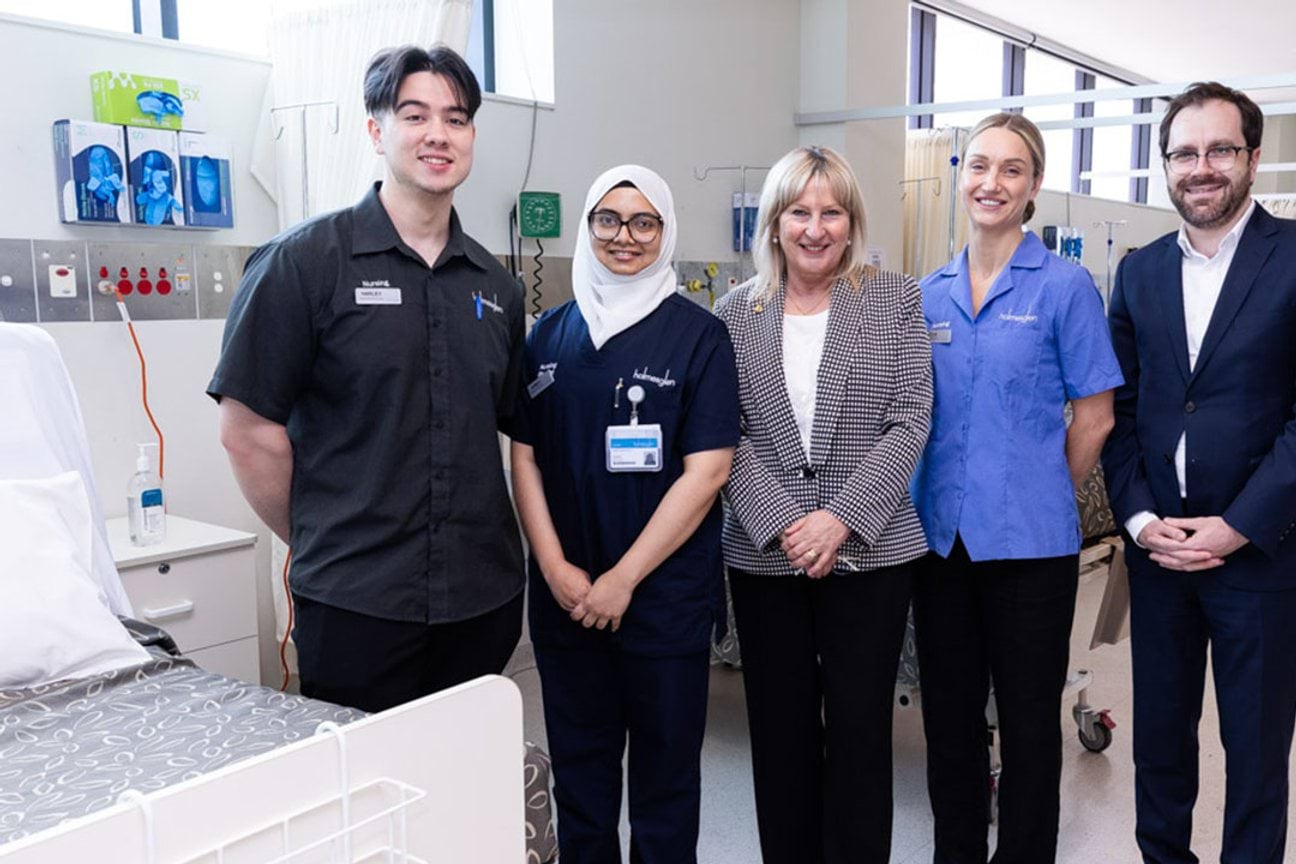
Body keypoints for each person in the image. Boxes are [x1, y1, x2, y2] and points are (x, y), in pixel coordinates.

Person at [208, 45, 526, 713]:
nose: (438, 134)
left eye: (456, 118)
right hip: (356, 604)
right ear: (377, 131)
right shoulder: (303, 264)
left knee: (461, 768)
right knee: (367, 775)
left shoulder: (497, 288)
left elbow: (506, 432)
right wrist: (326, 535)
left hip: (480, 600)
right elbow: (247, 433)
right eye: (415, 115)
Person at [1099, 81, 1296, 864]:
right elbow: (1121, 406)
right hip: (1160, 551)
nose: (1202, 167)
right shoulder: (1139, 271)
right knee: (1159, 743)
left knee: (1254, 752)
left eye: (1220, 149)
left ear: (1252, 157)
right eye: (1184, 153)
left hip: (1263, 556)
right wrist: (1140, 519)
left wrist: (1239, 525)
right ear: (1166, 166)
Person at [510, 165, 739, 864]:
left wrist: (623, 579)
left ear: (666, 232)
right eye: (608, 219)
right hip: (568, 599)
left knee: (665, 786)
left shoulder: (699, 337)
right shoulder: (550, 334)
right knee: (580, 779)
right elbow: (525, 458)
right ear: (589, 226)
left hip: (662, 601)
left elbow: (709, 471)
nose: (625, 236)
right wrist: (555, 567)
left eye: (644, 222)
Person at [911, 111, 1122, 864]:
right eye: (978, 165)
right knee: (949, 722)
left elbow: (1095, 417)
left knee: (1030, 725)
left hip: (1032, 546)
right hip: (940, 546)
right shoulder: (927, 294)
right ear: (959, 177)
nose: (991, 182)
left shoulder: (1065, 287)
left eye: (1010, 169)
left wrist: (1038, 486)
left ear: (1033, 185)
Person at [714, 145, 933, 864]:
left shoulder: (894, 299)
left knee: (862, 733)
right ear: (774, 224)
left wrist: (840, 518)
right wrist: (785, 522)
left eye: (831, 212)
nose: (815, 229)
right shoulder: (733, 313)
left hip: (870, 553)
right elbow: (724, 432)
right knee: (779, 737)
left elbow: (911, 418)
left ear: (852, 222)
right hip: (765, 557)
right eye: (799, 212)